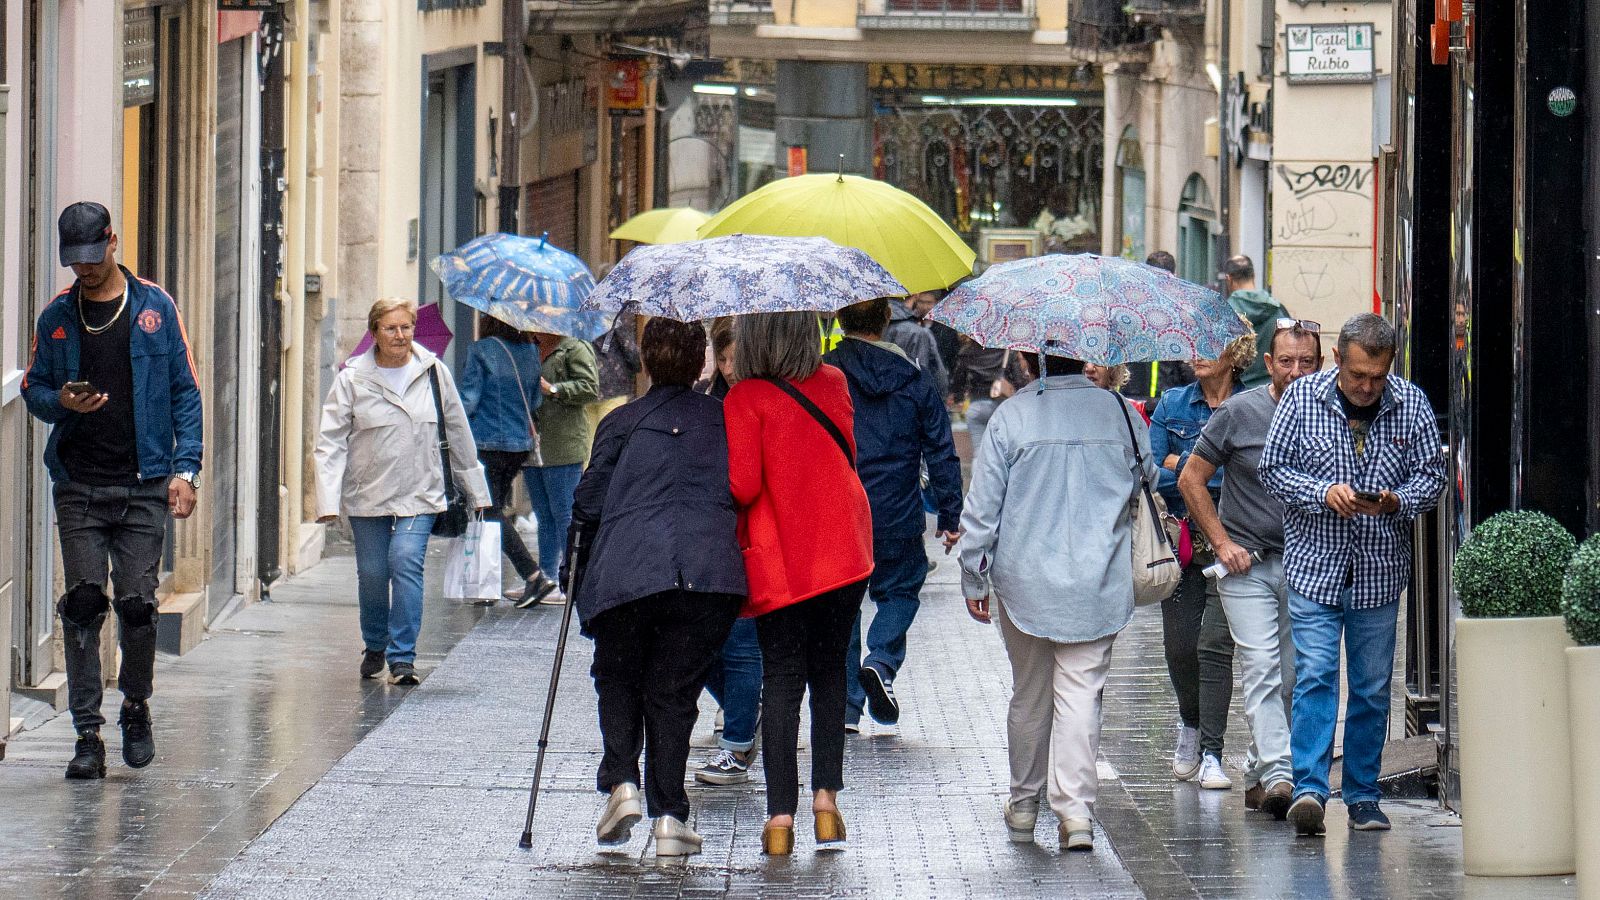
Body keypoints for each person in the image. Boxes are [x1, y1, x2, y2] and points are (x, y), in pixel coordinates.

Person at [22, 201, 203, 779]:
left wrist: (186, 469)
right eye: (75, 262)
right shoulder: (56, 318)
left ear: (114, 242)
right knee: (81, 606)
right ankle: (86, 735)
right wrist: (61, 403)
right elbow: (33, 388)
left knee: (137, 607)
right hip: (78, 483)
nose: (86, 270)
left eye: (94, 258)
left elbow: (185, 392)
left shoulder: (154, 308)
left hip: (145, 483)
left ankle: (135, 704)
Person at [959, 352, 1157, 852]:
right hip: (1099, 579)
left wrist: (974, 578)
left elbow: (982, 510)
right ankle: (1075, 814)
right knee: (1081, 695)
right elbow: (1146, 484)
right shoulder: (1123, 415)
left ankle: (1025, 803)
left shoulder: (1012, 417)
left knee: (1029, 693)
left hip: (1024, 580)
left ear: (1029, 359)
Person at [565, 317, 747, 859]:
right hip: (706, 572)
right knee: (674, 692)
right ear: (700, 364)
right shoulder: (725, 419)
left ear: (645, 362)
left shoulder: (620, 423)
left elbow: (589, 504)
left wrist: (572, 570)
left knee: (616, 673)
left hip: (627, 568)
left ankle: (622, 780)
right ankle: (669, 815)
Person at [1259, 313, 1446, 835]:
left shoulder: (1411, 405)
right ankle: (1311, 789)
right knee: (1316, 675)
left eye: (1377, 377)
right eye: (1357, 374)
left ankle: (1364, 795)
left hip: (1379, 571)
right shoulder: (1301, 400)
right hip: (1315, 566)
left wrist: (1394, 501)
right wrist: (1322, 493)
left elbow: (1431, 479)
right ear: (1338, 358)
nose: (1366, 387)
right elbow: (1272, 471)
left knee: (1369, 687)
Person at [724, 311, 873, 855]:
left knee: (783, 679)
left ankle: (780, 819)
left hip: (783, 557)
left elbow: (742, 486)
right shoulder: (833, 382)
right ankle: (827, 806)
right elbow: (847, 455)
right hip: (843, 547)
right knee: (831, 671)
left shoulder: (744, 398)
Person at [1177, 319, 1324, 820]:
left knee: (1290, 676)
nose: (1296, 371)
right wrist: (1221, 542)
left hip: (1308, 564)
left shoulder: (1331, 415)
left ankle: (1260, 773)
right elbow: (1191, 477)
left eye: (1306, 362)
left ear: (1320, 364)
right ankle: (1283, 775)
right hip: (1248, 566)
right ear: (1268, 364)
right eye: (1286, 361)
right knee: (1261, 667)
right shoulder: (1241, 411)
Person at [315, 298, 491, 685]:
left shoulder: (433, 373)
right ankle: (375, 643)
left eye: (406, 327)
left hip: (421, 491)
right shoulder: (352, 379)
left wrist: (475, 488)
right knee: (373, 574)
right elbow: (330, 442)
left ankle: (402, 657)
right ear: (374, 331)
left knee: (406, 562)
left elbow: (458, 430)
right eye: (391, 328)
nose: (400, 336)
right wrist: (328, 501)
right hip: (368, 494)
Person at [824, 299, 963, 731]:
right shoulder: (914, 380)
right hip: (897, 510)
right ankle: (881, 662)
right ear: (886, 320)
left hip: (839, 510)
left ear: (841, 320)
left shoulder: (823, 375)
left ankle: (846, 707)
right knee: (901, 590)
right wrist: (949, 512)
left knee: (843, 605)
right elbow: (941, 448)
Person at [1148, 334, 1256, 789]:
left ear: (1235, 355)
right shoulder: (1173, 403)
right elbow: (1154, 467)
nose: (1195, 354)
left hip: (1234, 537)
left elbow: (1251, 473)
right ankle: (1189, 725)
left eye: (1208, 346)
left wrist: (1190, 463)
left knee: (1214, 645)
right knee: (1179, 645)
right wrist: (1206, 468)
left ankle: (1212, 751)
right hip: (1182, 539)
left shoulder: (1251, 405)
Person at [694, 317, 765, 786]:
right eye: (724, 358)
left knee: (741, 644)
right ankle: (744, 709)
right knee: (696, 643)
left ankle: (737, 742)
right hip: (707, 534)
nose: (731, 367)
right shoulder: (704, 403)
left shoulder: (765, 401)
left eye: (738, 358)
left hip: (751, 536)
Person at [457, 313, 560, 607]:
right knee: (493, 508)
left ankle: (532, 575)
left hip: (486, 442)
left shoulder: (481, 350)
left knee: (486, 510)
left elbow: (469, 400)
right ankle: (487, 585)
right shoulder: (530, 351)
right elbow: (536, 401)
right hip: (518, 445)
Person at [523, 330, 599, 603]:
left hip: (563, 444)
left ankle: (571, 579)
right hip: (532, 444)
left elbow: (590, 387)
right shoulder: (527, 347)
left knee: (564, 514)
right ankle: (546, 577)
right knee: (544, 514)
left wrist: (554, 389)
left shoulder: (574, 348)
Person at [1121, 251, 1196, 402]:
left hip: (1129, 399)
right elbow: (1188, 368)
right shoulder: (1180, 313)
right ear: (1173, 275)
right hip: (1166, 402)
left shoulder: (1126, 308)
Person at [1220, 256, 1291, 389]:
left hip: (1237, 391)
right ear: (1253, 275)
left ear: (1229, 279)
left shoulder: (1224, 314)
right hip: (1274, 390)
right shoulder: (1278, 310)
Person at [953, 340, 1029, 455]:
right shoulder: (1007, 351)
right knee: (1004, 453)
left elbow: (959, 380)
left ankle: (978, 472)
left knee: (979, 452)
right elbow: (1018, 381)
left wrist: (958, 398)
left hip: (976, 405)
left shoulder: (967, 352)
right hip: (1002, 407)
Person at [884, 292, 948, 397]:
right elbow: (926, 371)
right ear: (916, 295)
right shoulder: (916, 332)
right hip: (908, 400)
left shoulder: (872, 323)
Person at [588, 308, 640, 432]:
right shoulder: (615, 311)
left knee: (589, 443)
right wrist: (639, 365)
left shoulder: (580, 310)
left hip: (587, 380)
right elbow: (628, 346)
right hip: (613, 384)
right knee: (610, 436)